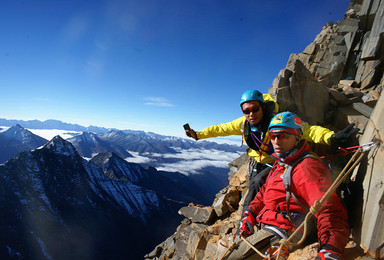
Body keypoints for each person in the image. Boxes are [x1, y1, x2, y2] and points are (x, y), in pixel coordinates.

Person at [185, 89, 358, 212]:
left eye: (255, 109)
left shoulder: (278, 121)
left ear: (263, 107)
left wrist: (330, 137)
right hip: (257, 162)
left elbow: (307, 130)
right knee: (256, 187)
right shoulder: (243, 123)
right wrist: (198, 135)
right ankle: (257, 214)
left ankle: (247, 221)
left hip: (278, 161)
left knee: (256, 186)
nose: (251, 114)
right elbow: (220, 129)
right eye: (246, 111)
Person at [233, 112, 349, 260]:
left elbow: (329, 210)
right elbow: (264, 191)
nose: (276, 141)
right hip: (269, 222)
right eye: (273, 136)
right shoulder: (283, 161)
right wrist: (249, 214)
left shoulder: (306, 168)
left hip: (284, 230)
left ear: (298, 136)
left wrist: (330, 249)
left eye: (283, 135)